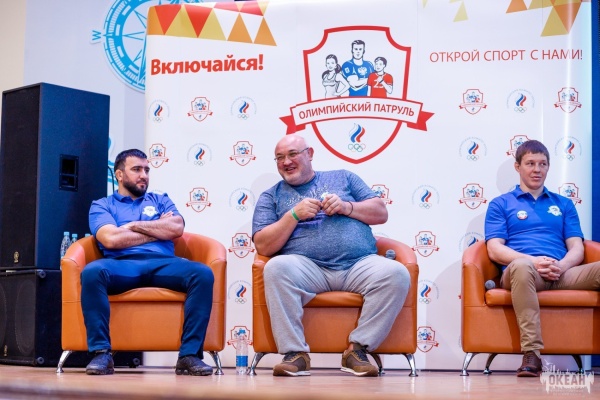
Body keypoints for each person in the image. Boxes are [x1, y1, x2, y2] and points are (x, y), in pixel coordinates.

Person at [252, 134, 410, 377]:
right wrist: (293, 215)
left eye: (292, 154)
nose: (286, 162)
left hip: (358, 264)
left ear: (310, 154)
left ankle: (357, 351)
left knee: (397, 273)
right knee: (276, 267)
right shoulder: (270, 196)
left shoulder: (343, 177)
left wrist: (347, 207)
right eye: (280, 158)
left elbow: (380, 212)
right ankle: (295, 354)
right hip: (307, 268)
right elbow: (263, 245)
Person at [81, 149, 215, 376]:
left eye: (146, 170)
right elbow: (111, 239)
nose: (144, 175)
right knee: (92, 272)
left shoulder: (160, 200)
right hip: (122, 264)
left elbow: (176, 228)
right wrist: (157, 230)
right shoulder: (102, 205)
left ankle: (189, 355)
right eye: (136, 169)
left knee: (202, 273)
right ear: (119, 175)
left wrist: (132, 226)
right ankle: (101, 353)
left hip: (163, 263)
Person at [485, 139, 600, 377]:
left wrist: (561, 265)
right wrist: (534, 261)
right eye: (530, 163)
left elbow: (577, 247)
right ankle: (532, 354)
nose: (537, 169)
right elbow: (495, 249)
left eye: (543, 164)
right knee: (521, 266)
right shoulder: (501, 204)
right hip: (523, 273)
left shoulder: (564, 204)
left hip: (561, 272)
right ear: (518, 167)